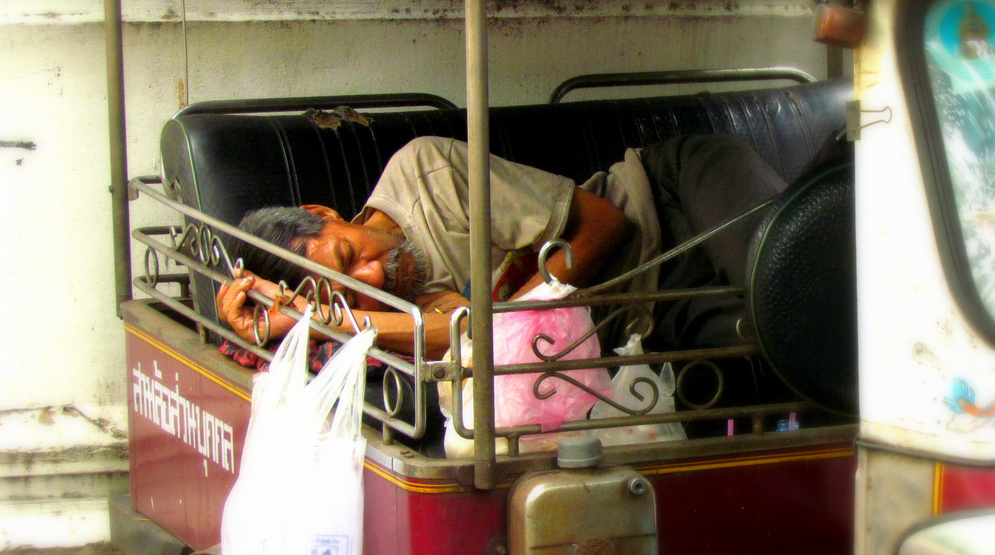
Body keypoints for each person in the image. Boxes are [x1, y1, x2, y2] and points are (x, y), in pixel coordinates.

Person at [218, 133, 788, 358]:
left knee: (784, 277)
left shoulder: (425, 173)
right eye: (346, 297)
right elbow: (465, 337)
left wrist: (512, 317)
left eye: (348, 256)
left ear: (324, 215)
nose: (369, 280)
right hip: (658, 302)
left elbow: (607, 225)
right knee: (782, 343)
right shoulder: (392, 329)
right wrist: (292, 323)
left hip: (668, 194)